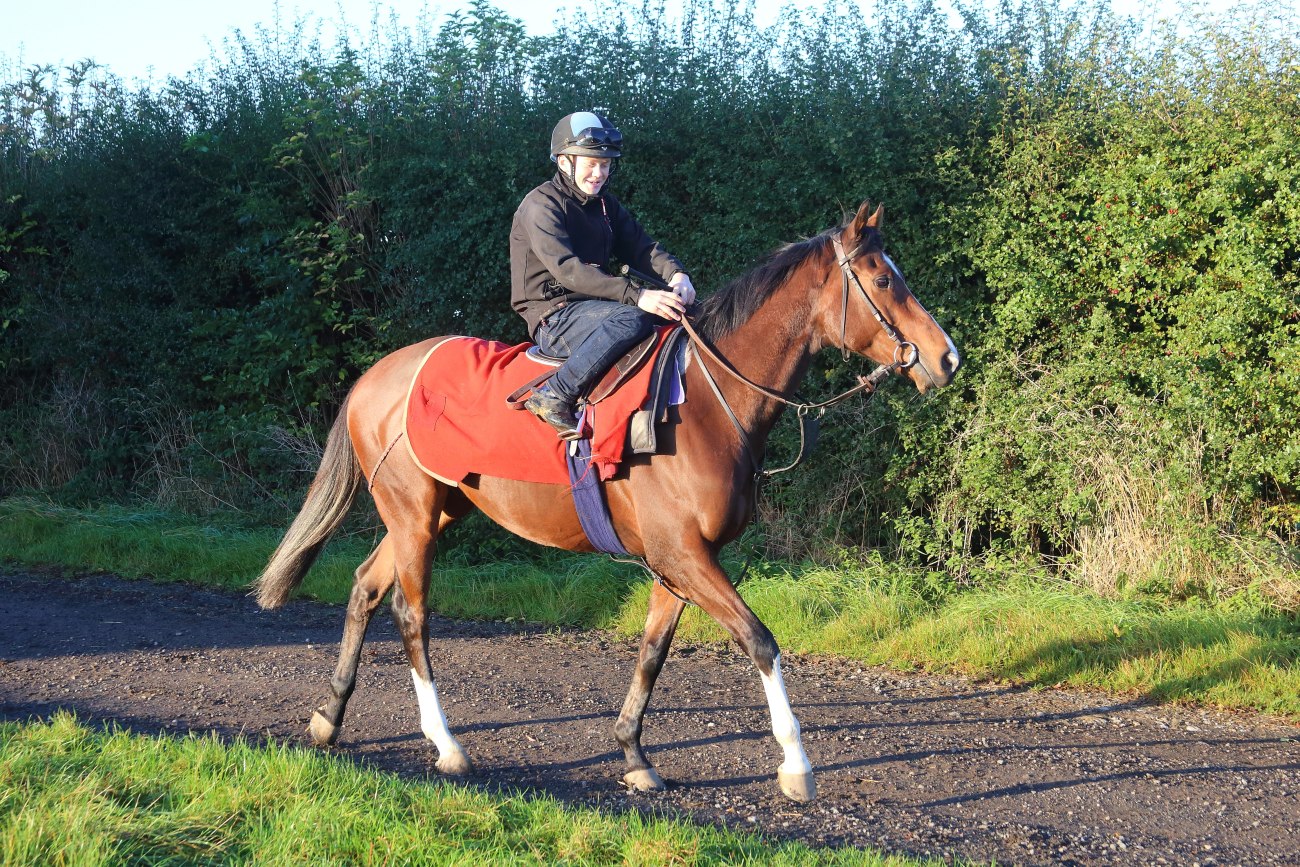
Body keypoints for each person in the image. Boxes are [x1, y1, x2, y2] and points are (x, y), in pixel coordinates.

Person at [510, 110, 695, 440]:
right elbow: (569, 271)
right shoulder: (540, 205)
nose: (599, 173)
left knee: (682, 314)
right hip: (554, 318)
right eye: (591, 163)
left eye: (606, 165)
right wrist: (638, 295)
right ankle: (554, 395)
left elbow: (642, 247)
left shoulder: (606, 205)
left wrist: (677, 275)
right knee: (633, 318)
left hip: (597, 309)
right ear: (564, 162)